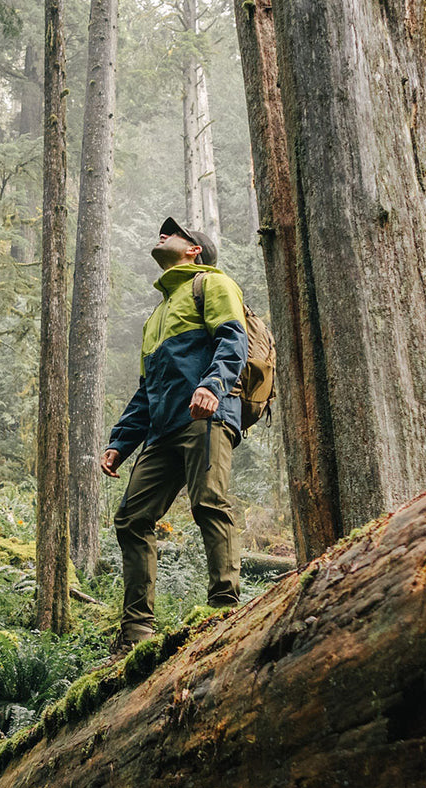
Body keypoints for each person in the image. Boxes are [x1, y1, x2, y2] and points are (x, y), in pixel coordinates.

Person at [100, 216, 249, 652]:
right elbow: (148, 389)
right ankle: (136, 633)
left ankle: (223, 608)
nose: (162, 234)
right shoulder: (158, 314)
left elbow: (233, 340)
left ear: (194, 249)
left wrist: (212, 386)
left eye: (174, 232)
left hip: (207, 415)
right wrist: (120, 443)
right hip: (162, 430)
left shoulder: (212, 284)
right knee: (131, 518)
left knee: (209, 502)